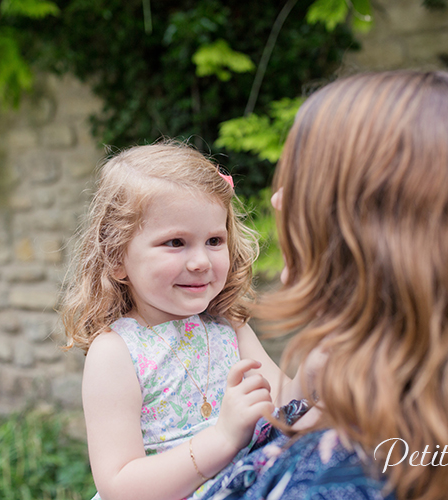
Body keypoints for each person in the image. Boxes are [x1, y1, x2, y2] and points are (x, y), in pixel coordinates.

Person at [198, 70, 448, 500]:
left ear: (371, 231)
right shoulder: (427, 406)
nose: (277, 199)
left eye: (303, 184)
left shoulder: (342, 480)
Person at [61, 142, 304, 500]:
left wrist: (325, 358)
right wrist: (222, 439)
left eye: (214, 240)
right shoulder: (116, 351)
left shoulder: (228, 327)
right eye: (176, 242)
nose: (201, 261)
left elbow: (289, 407)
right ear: (116, 257)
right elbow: (118, 485)